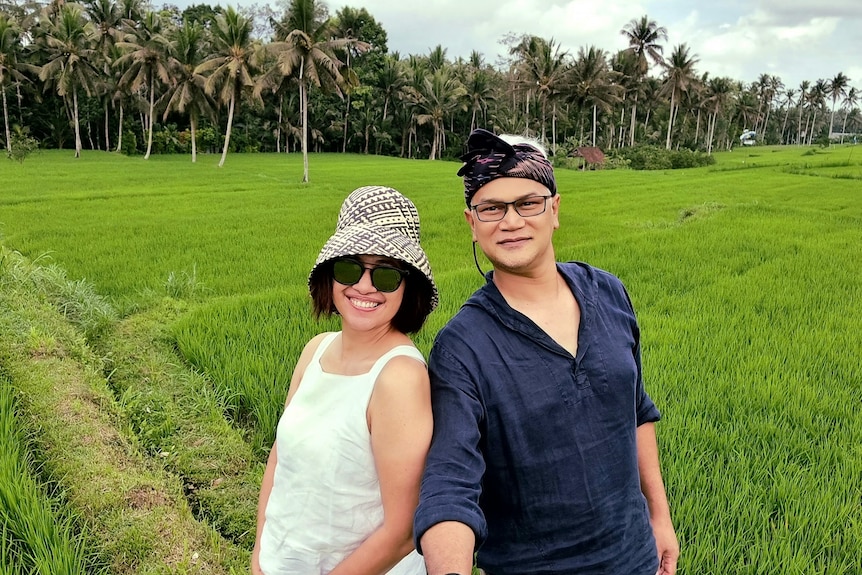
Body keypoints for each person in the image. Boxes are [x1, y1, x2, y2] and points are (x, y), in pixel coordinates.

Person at [413, 129, 679, 575]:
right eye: (492, 208)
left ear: (554, 209)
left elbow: (635, 411)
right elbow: (449, 484)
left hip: (635, 556)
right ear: (471, 223)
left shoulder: (609, 293)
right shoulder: (463, 347)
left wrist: (660, 516)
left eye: (528, 203)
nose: (511, 221)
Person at [253, 185, 438, 575]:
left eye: (386, 275)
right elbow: (279, 459)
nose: (365, 286)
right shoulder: (315, 350)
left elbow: (402, 530)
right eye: (350, 268)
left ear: (408, 288)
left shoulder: (398, 376)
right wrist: (260, 553)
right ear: (330, 275)